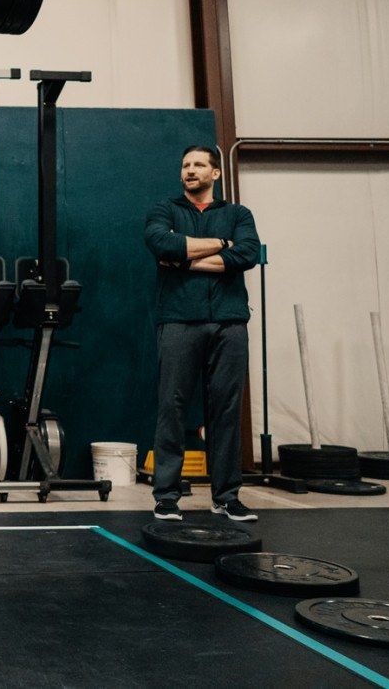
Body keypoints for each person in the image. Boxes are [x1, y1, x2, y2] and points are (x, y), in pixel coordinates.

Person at [143, 145, 260, 523]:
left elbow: (247, 253)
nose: (190, 170)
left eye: (198, 165)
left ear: (215, 173)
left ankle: (226, 497)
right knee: (172, 407)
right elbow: (163, 244)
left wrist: (187, 259)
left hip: (229, 322)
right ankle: (166, 496)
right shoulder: (165, 210)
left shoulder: (238, 214)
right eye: (185, 165)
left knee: (225, 410)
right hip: (178, 320)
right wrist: (222, 247)